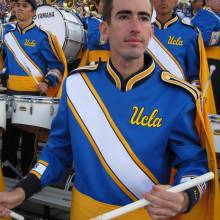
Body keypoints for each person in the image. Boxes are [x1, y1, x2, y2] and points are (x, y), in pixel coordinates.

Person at [0, 0, 219, 219]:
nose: (135, 27)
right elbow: (58, 151)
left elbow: (194, 163)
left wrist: (184, 197)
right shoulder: (77, 85)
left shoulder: (178, 96)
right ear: (104, 30)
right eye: (124, 16)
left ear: (150, 32)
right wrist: (22, 191)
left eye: (143, 18)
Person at [0, 0, 65, 178]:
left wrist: (47, 82)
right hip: (11, 93)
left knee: (29, 142)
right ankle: (8, 178)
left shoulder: (43, 36)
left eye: (25, 5)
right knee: (8, 140)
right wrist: (3, 75)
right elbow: (6, 64)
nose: (19, 8)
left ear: (34, 12)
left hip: (32, 94)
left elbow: (56, 66)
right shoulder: (8, 34)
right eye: (17, 5)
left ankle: (27, 180)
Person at [147, 0, 202, 87]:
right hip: (148, 96)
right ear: (152, 1)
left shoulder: (189, 33)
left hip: (177, 96)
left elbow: (194, 77)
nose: (163, 1)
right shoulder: (142, 32)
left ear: (176, 1)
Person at [191, 0, 220, 113]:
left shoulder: (213, 15)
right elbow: (204, 37)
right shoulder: (205, 14)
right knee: (213, 99)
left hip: (214, 63)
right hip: (211, 63)